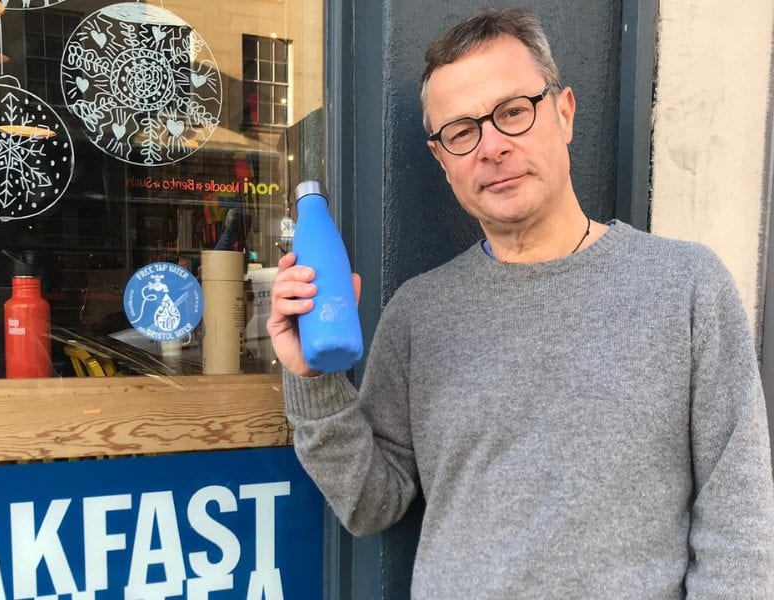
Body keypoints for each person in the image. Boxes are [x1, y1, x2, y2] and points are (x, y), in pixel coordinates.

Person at [267, 8, 774, 599]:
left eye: (513, 112)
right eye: (461, 131)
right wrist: (313, 378)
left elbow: (738, 517)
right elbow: (370, 503)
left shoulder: (687, 287)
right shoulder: (418, 314)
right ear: (442, 158)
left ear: (563, 113)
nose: (492, 148)